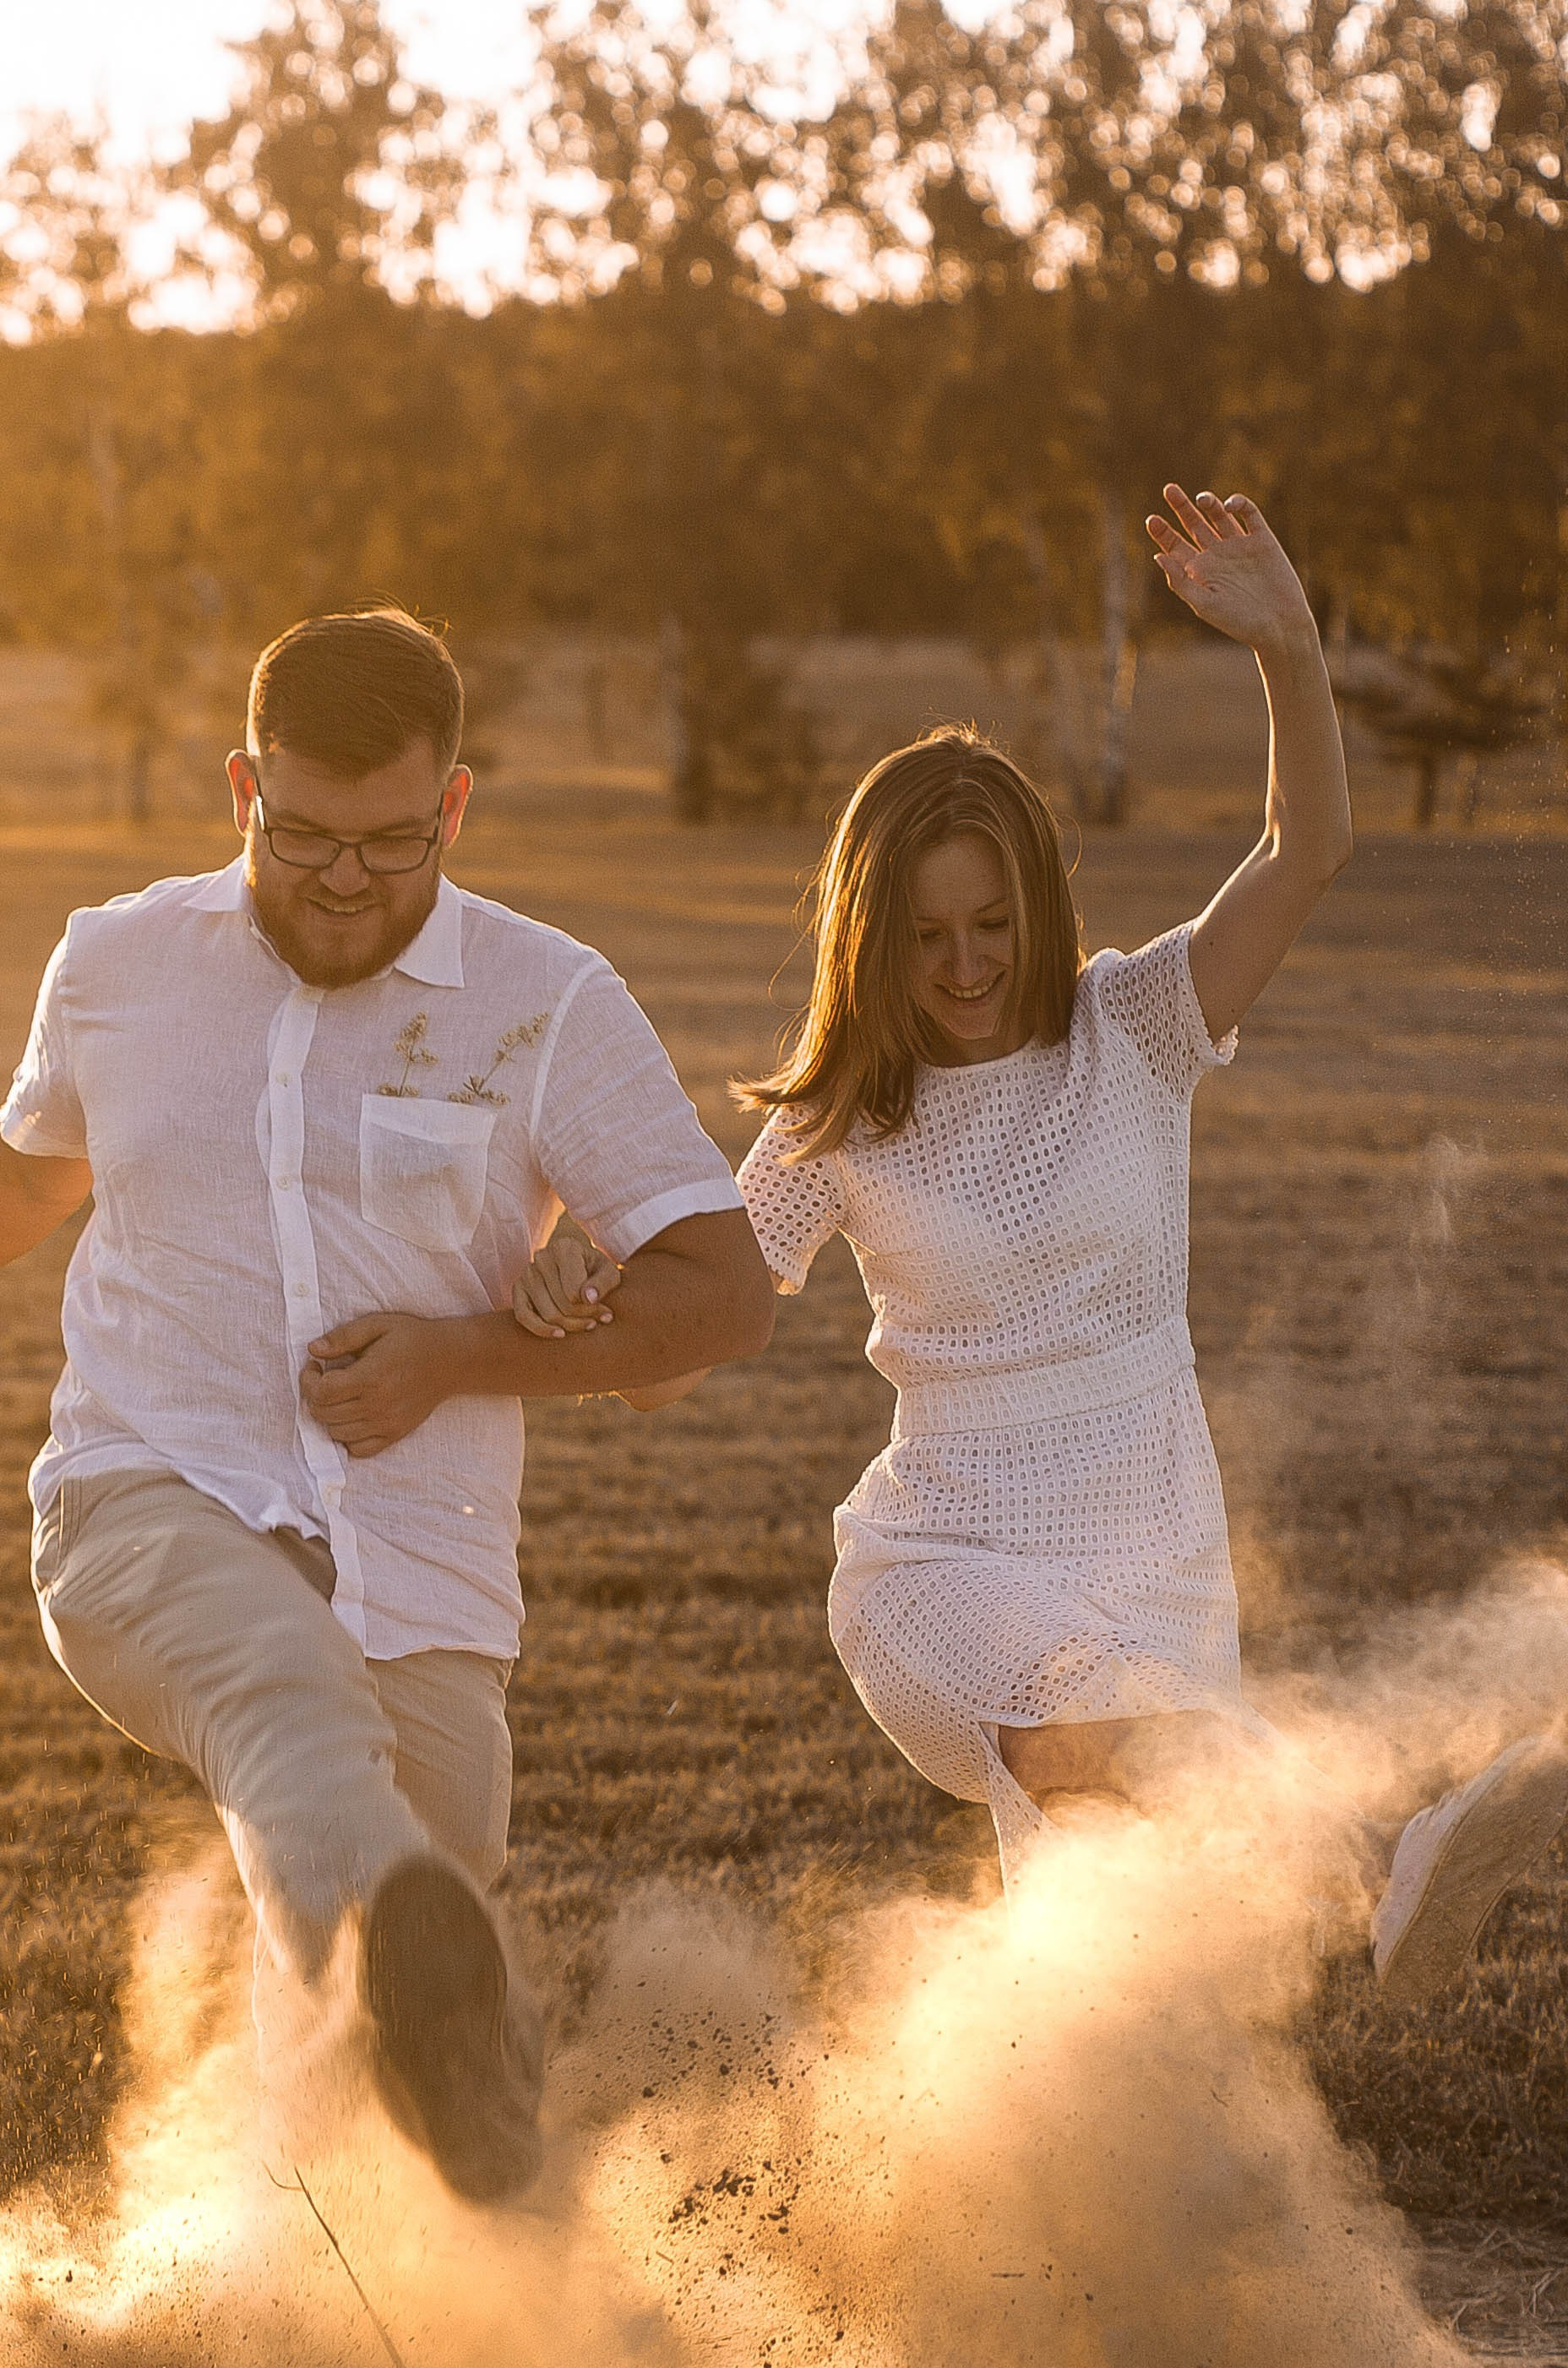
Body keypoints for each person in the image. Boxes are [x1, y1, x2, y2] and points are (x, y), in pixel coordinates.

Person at [513, 487, 1568, 1998]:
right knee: (1066, 1733)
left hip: (1151, 1538)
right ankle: (1381, 1851)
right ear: (872, 934)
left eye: (993, 925)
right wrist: (579, 1292)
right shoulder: (837, 1120)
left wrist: (1287, 642)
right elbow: (670, 1360)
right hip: (948, 1557)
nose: (964, 967)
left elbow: (1308, 848)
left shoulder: (1137, 1023)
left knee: (1122, 1986)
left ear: (1040, 905)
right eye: (926, 935)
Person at [0, 606, 775, 2199]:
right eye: (305, 837)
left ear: (454, 806)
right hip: (144, 1497)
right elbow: (32, 1162)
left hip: (424, 1560)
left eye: (393, 844)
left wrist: (461, 1354)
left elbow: (724, 1293)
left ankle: (399, 2296)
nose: (345, 880)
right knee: (290, 1703)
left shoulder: (546, 1000)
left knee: (397, 1976)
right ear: (242, 790)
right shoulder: (118, 962)